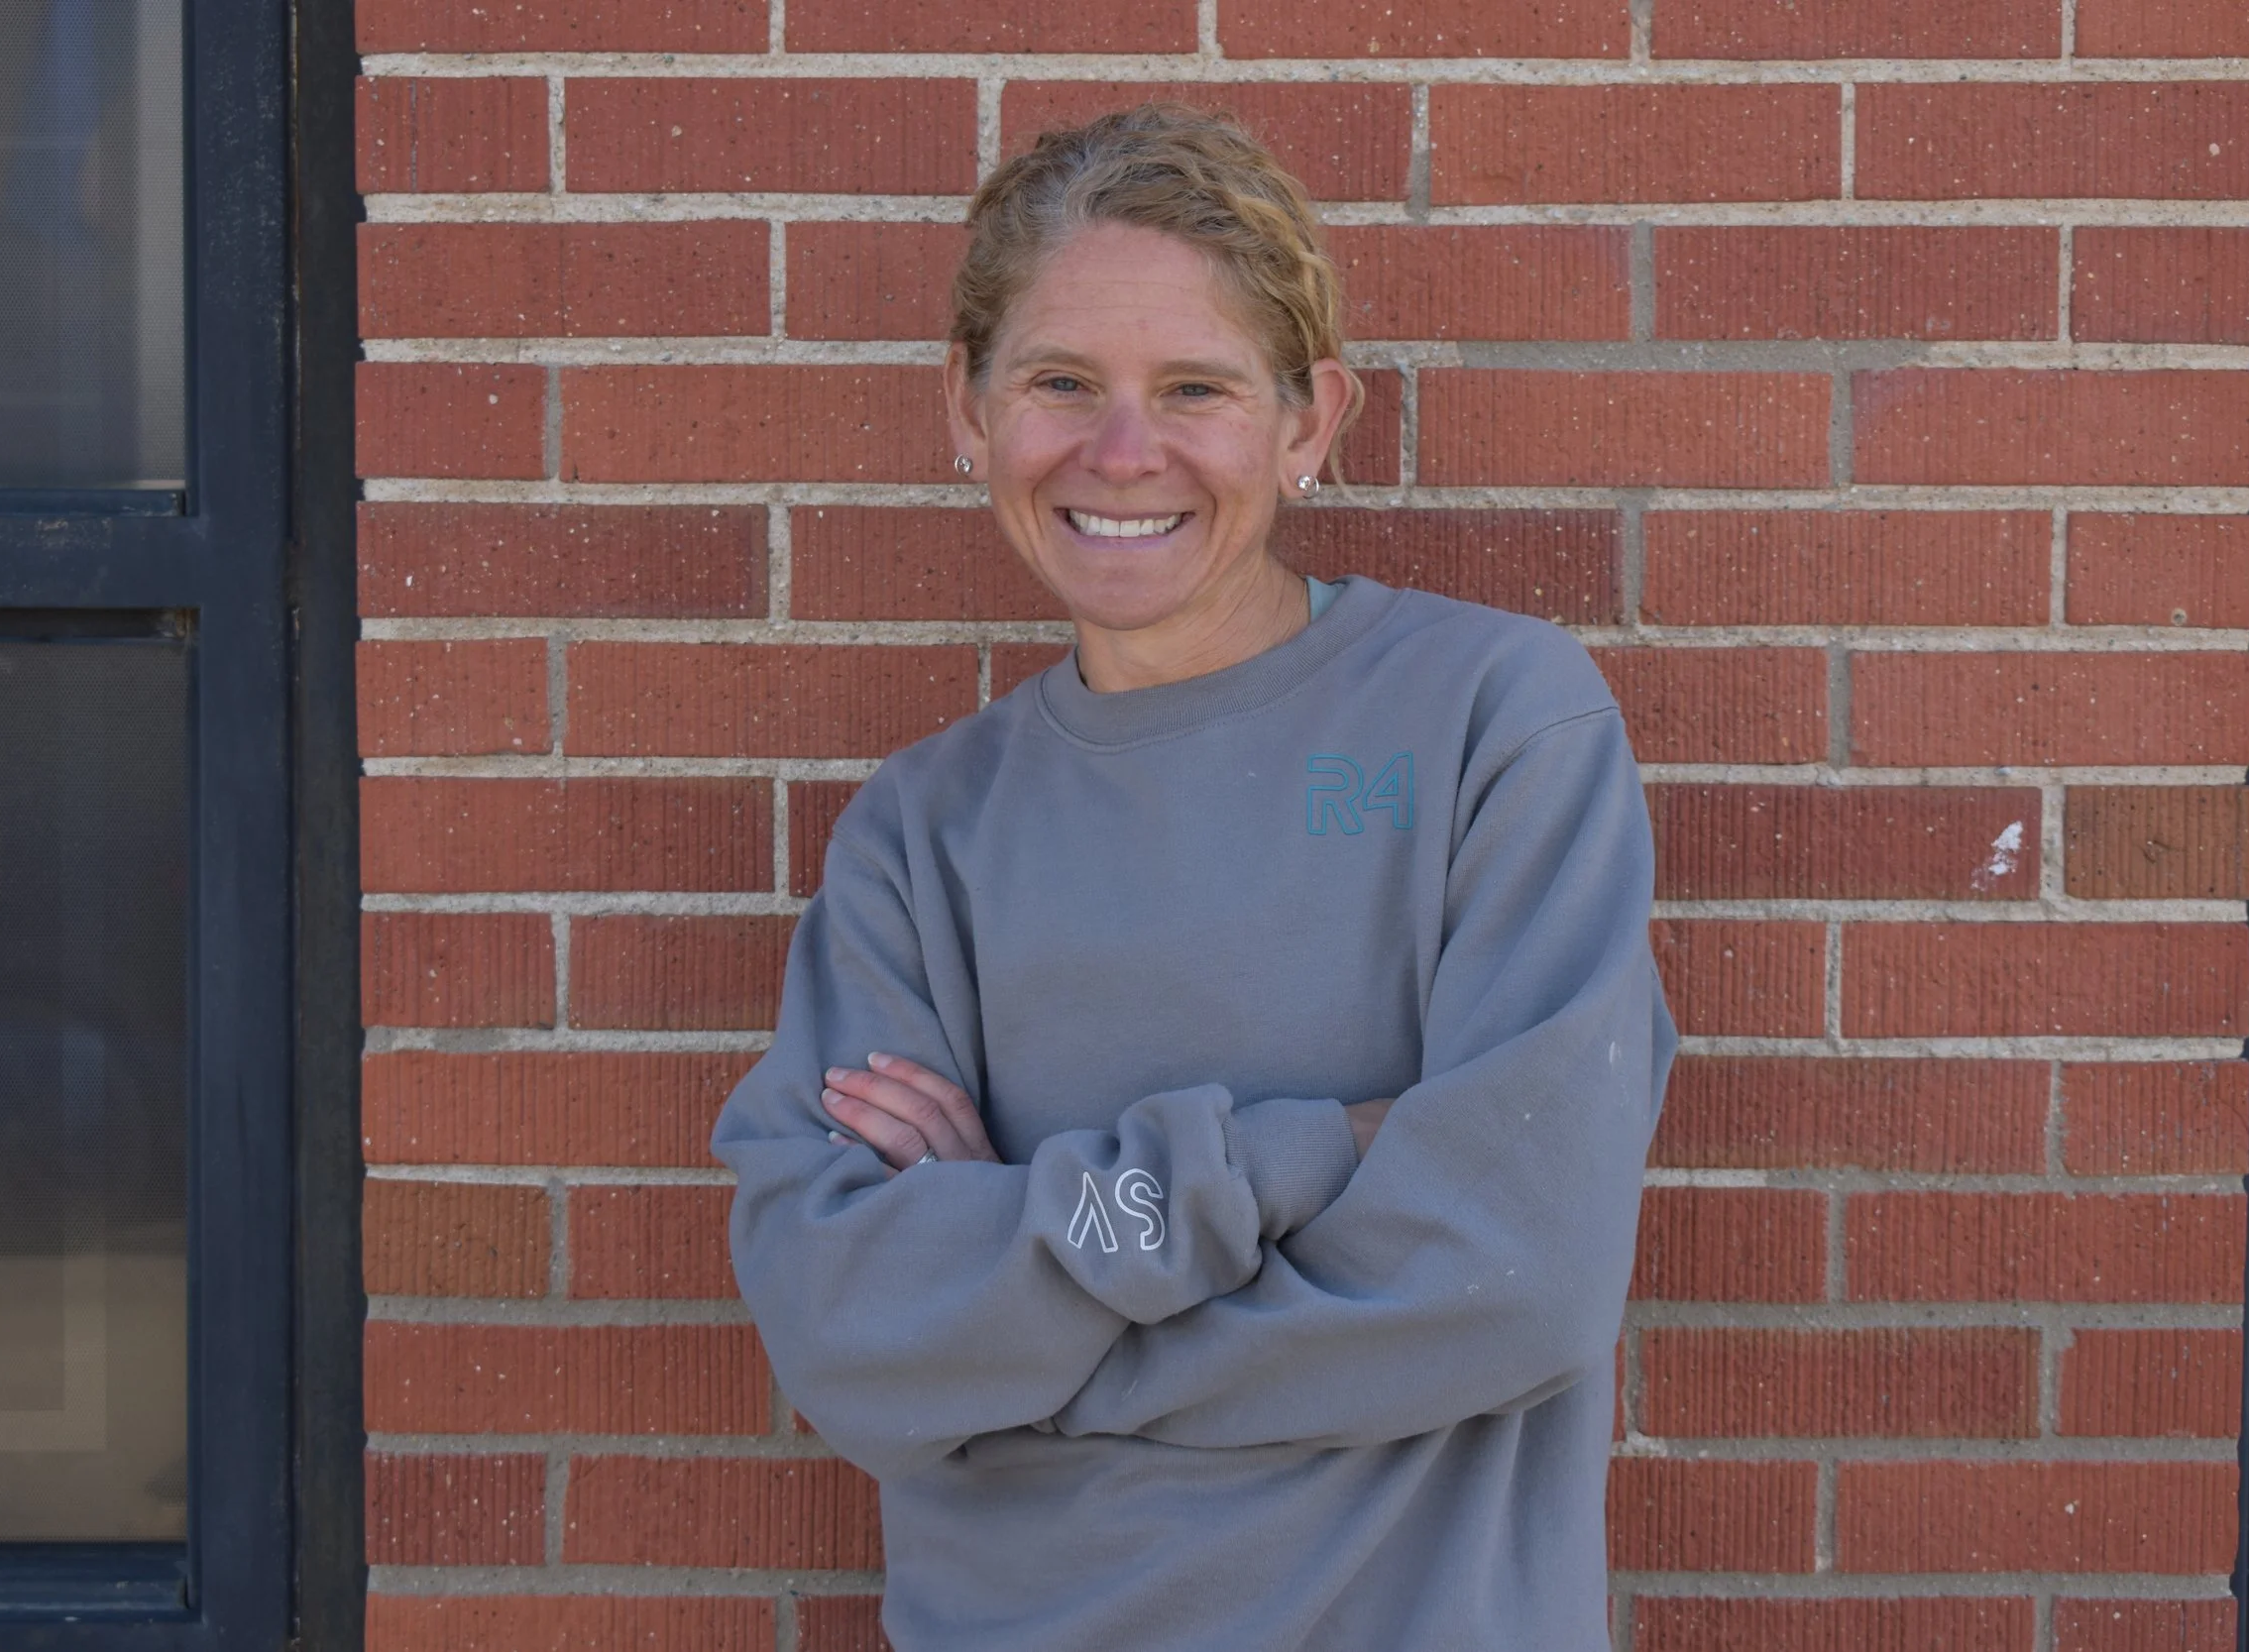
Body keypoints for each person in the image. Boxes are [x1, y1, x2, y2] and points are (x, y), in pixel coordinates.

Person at [713, 103, 1676, 1651]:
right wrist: (1305, 1160)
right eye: (1060, 383)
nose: (1121, 452)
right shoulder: (922, 836)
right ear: (966, 406)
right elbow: (849, 1327)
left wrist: (1026, 1318)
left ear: (1309, 421)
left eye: (1196, 390)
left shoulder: (1497, 725)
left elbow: (1522, 1274)